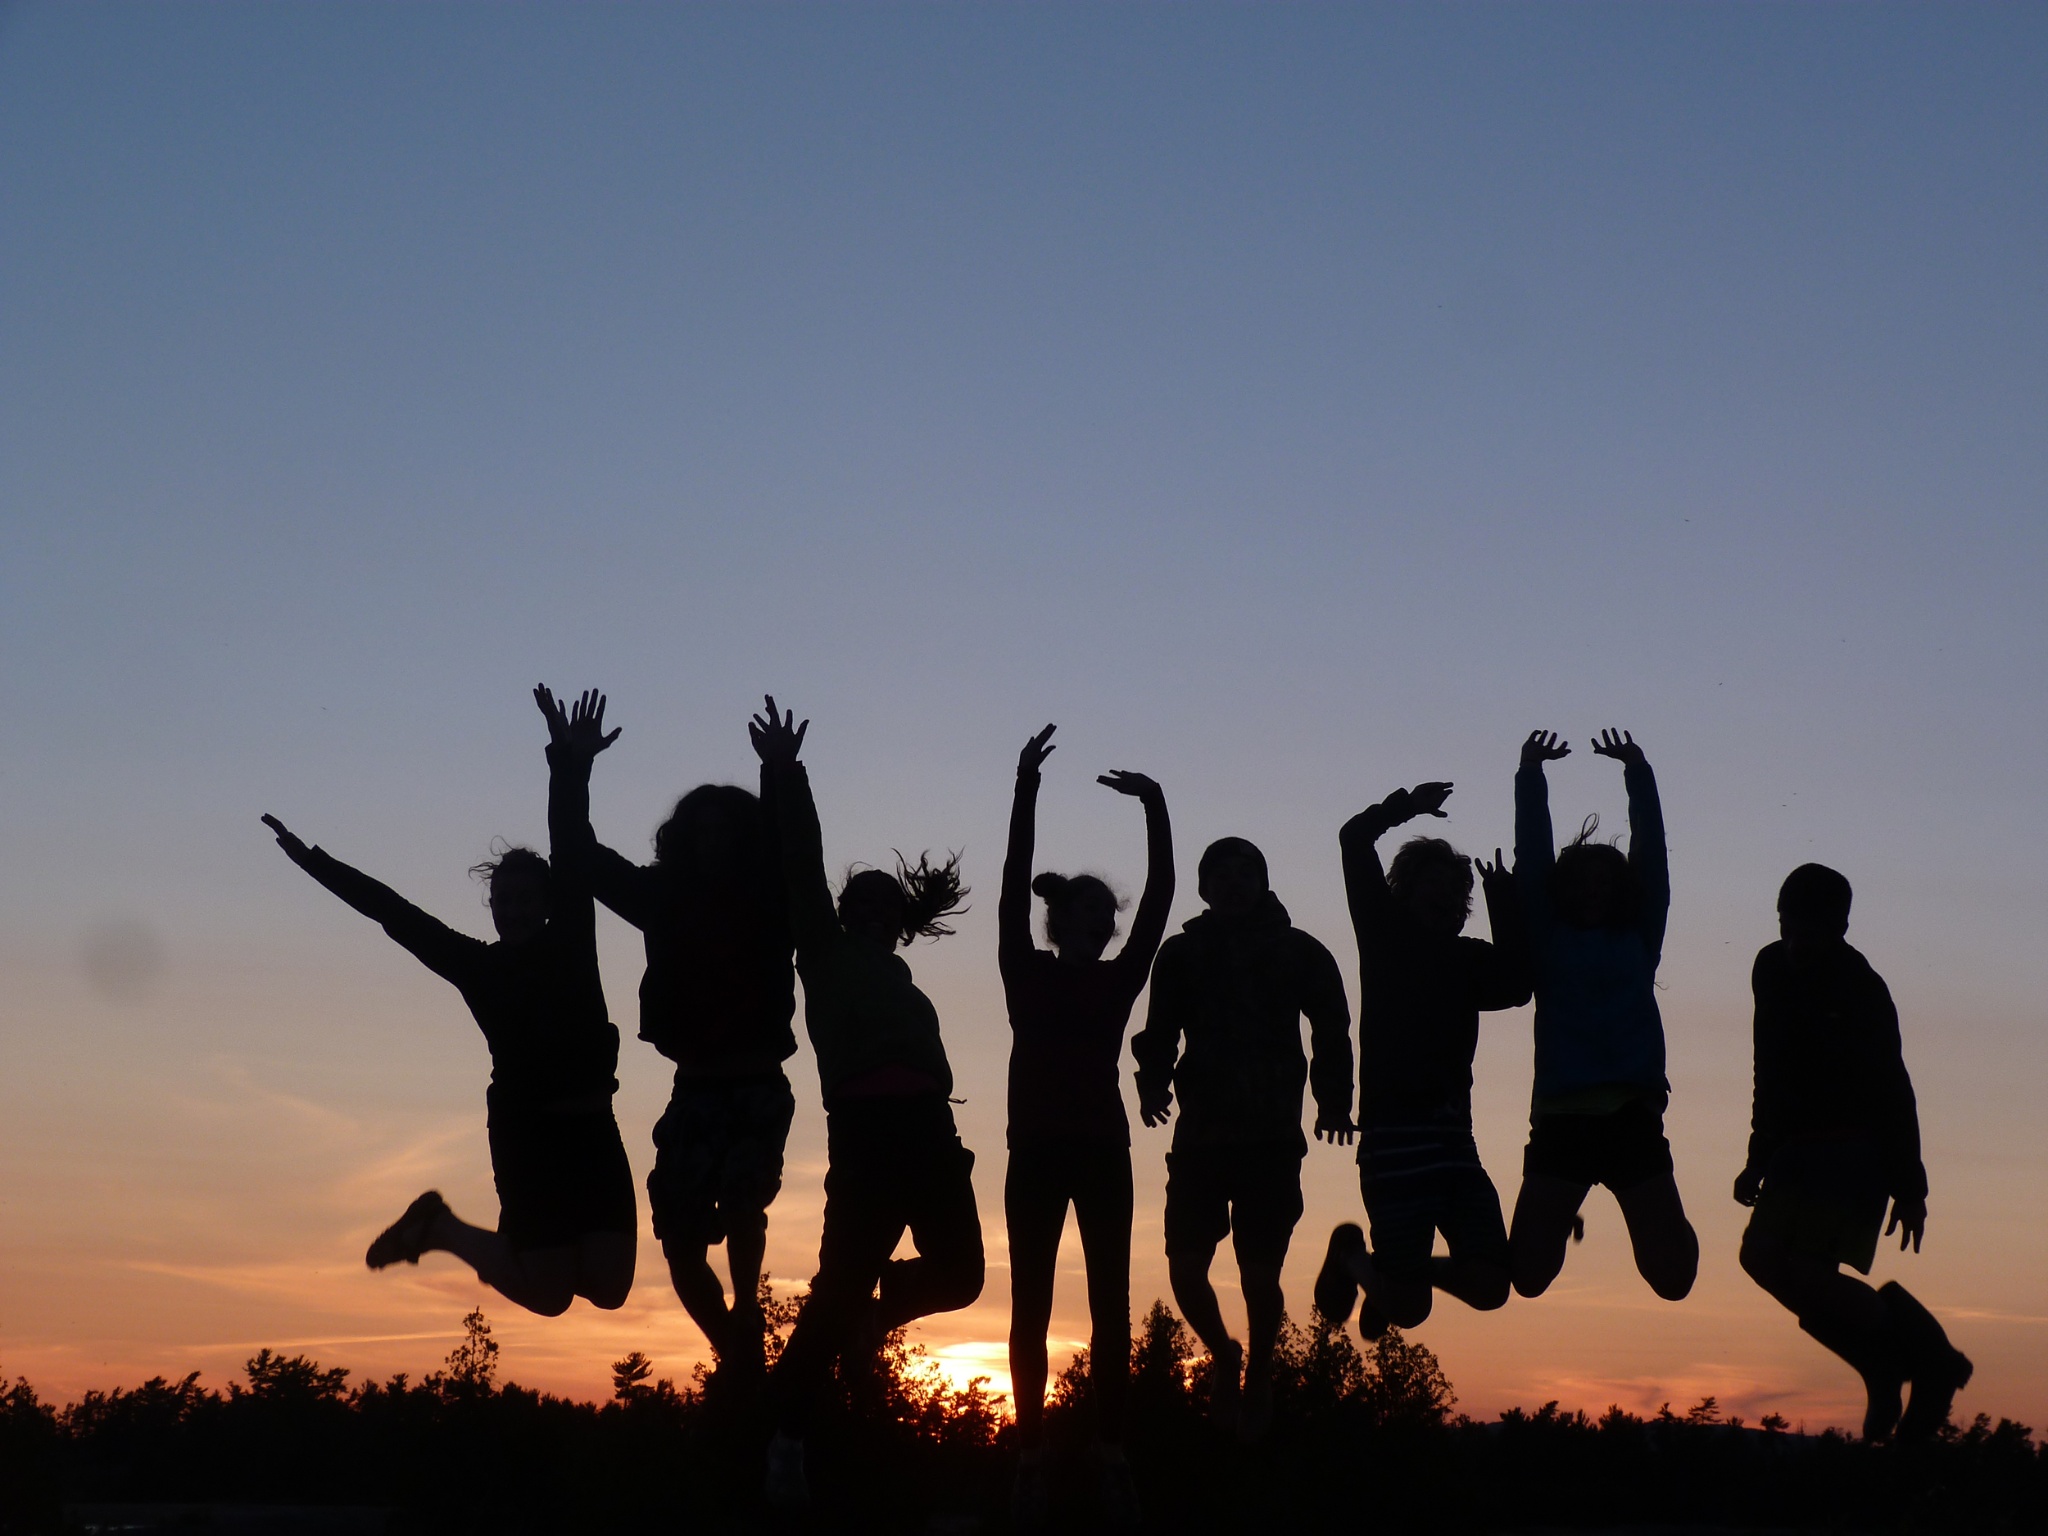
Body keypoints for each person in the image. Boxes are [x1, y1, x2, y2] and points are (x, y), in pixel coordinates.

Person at [259, 687, 636, 1317]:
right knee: (548, 1296)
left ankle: (446, 1230)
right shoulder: (476, 966)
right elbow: (391, 912)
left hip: (594, 1127)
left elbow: (569, 842)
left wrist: (571, 762)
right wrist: (310, 861)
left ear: (546, 904)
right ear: (492, 908)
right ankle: (441, 1230)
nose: (511, 910)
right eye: (502, 901)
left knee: (610, 1288)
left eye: (523, 899)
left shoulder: (572, 938)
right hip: (530, 1135)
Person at [750, 697, 984, 1507]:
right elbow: (800, 861)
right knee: (833, 1293)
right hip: (864, 1132)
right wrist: (786, 773)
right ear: (847, 913)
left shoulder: (902, 978)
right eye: (864, 902)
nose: (875, 912)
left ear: (900, 921)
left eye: (887, 905)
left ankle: (875, 1315)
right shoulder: (823, 950)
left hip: (930, 1128)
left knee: (963, 1276)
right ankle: (784, 1438)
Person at [564, 735, 796, 1382]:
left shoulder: (770, 897)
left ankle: (747, 1312)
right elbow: (582, 855)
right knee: (680, 1241)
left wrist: (778, 773)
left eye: (725, 831)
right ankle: (737, 1349)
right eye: (702, 831)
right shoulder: (663, 896)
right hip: (694, 1089)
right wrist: (572, 768)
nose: (713, 842)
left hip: (755, 1083)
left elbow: (789, 847)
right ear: (685, 839)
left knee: (746, 1203)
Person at [1000, 724, 1173, 1524]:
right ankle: (1029, 1457)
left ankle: (1113, 1453)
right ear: (1061, 918)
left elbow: (1161, 899)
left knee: (1112, 1307)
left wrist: (1156, 808)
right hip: (1035, 1151)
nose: (1105, 920)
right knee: (1029, 1307)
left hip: (1103, 1152)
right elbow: (1010, 883)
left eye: (1110, 913)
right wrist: (1026, 786)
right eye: (1093, 908)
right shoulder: (1021, 966)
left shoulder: (1120, 977)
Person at [1735, 863, 1972, 1440]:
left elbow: (1894, 1087)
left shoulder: (1863, 989)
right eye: (1790, 923)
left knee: (1808, 1273)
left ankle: (1929, 1361)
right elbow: (1768, 1065)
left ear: (1841, 927)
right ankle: (1884, 1363)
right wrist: (1759, 1154)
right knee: (1761, 1260)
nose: (1798, 939)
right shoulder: (1769, 968)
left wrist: (1910, 1188)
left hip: (1852, 1153)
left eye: (1813, 929)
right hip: (1794, 1149)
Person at [1131, 835, 1353, 1442]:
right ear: (1204, 889)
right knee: (1184, 1271)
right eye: (1220, 876)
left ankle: (1259, 1370)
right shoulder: (1181, 955)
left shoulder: (1298, 951)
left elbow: (1333, 1021)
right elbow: (1160, 1028)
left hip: (1271, 1138)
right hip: (1201, 1136)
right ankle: (1224, 1355)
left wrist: (1335, 1099)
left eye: (1245, 874)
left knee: (1259, 1275)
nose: (1233, 884)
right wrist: (1152, 1085)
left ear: (1262, 883)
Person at [1314, 781, 1530, 1338]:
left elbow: (1516, 984)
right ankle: (1353, 1260)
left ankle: (1389, 1274)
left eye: (1457, 896)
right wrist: (1405, 806)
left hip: (1455, 1143)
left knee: (1491, 1286)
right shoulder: (1384, 935)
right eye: (1431, 889)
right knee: (1409, 1312)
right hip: (1393, 1145)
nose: (1447, 901)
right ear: (1402, 894)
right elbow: (1353, 838)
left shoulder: (1469, 960)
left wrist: (1505, 905)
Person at [1508, 728, 1697, 1302]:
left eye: (1604, 882)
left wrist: (1638, 772)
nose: (1593, 890)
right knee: (1528, 1276)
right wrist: (1530, 775)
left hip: (1631, 1117)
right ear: (1563, 891)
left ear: (1622, 891)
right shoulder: (1547, 938)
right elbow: (1533, 857)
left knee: (1673, 1280)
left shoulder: (1639, 937)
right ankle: (1563, 1219)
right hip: (1562, 1120)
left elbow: (1653, 856)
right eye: (1581, 882)